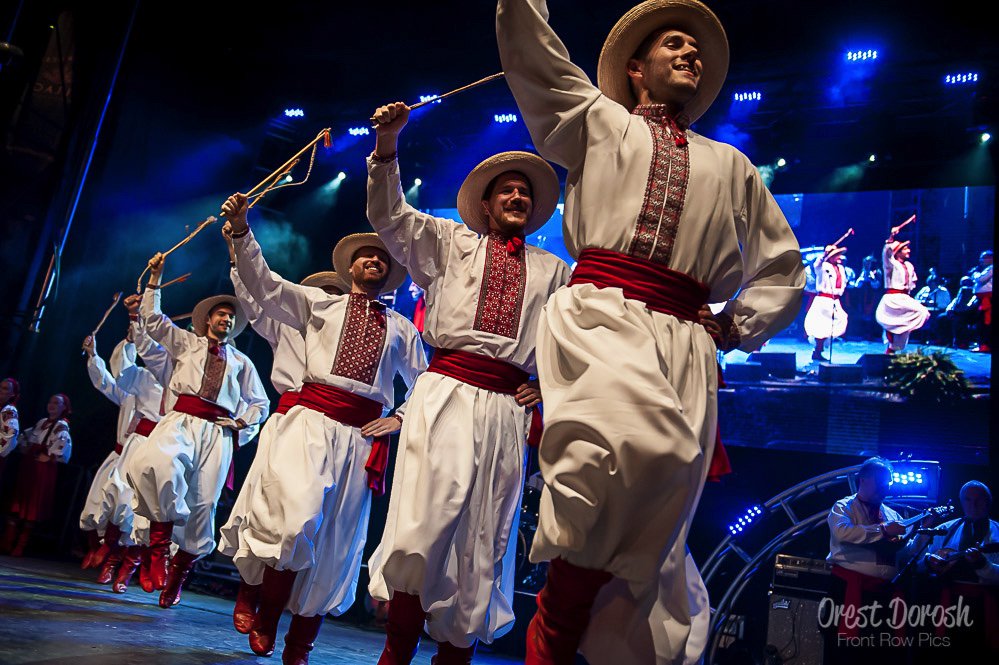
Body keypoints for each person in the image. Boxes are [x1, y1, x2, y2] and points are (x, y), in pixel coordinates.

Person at [496, 1, 805, 662]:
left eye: (696, 48)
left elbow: (781, 263)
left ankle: (576, 630)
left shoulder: (731, 165)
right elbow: (537, 59)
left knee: (653, 515)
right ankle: (553, 621)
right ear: (636, 69)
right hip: (602, 315)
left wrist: (734, 325)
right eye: (674, 44)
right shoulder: (599, 122)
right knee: (611, 458)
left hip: (685, 339)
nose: (691, 54)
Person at [368, 100, 572, 662]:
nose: (517, 197)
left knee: (485, 532)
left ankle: (454, 651)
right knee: (425, 517)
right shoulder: (448, 243)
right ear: (485, 203)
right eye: (506, 189)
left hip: (507, 406)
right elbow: (390, 218)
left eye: (525, 192)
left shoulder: (554, 270)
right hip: (447, 393)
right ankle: (398, 646)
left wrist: (549, 385)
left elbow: (570, 340)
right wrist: (387, 146)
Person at [225, 196, 427, 665]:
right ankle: (268, 615)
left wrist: (400, 417)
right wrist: (240, 233)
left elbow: (424, 382)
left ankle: (300, 645)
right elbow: (266, 286)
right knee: (296, 519)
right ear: (350, 267)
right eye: (365, 254)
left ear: (389, 272)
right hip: (310, 422)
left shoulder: (401, 328)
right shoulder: (318, 303)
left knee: (335, 541)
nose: (374, 259)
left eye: (382, 256)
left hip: (360, 439)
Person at [130, 254, 270, 609]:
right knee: (156, 463)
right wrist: (155, 282)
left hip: (217, 433)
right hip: (181, 420)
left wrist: (240, 424)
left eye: (231, 316)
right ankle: (158, 548)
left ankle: (178, 574)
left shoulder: (242, 362)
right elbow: (154, 321)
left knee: (203, 504)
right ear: (208, 319)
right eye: (221, 313)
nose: (227, 318)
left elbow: (260, 403)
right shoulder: (187, 345)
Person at [824, 457, 931, 664]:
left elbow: (906, 554)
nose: (885, 487)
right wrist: (881, 530)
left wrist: (924, 532)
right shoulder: (844, 506)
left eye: (888, 482)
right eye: (881, 481)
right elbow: (842, 533)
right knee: (845, 653)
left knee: (878, 654)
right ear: (863, 480)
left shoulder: (892, 514)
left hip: (883, 595)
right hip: (849, 591)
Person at [1, 393, 72, 557]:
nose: (52, 405)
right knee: (20, 502)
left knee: (32, 505)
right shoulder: (42, 422)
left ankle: (20, 545)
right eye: (50, 401)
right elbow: (26, 435)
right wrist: (24, 447)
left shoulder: (61, 426)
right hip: (30, 465)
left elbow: (63, 447)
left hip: (42, 469)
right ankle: (7, 542)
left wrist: (50, 457)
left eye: (56, 403)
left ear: (64, 408)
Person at [875, 224, 929, 353]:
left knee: (922, 314)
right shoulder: (891, 264)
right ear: (898, 252)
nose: (909, 251)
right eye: (905, 249)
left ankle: (893, 348)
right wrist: (891, 237)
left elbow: (912, 282)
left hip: (905, 297)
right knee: (896, 323)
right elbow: (886, 253)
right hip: (893, 298)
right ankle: (890, 347)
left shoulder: (909, 265)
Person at [804, 244, 849, 361]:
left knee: (841, 320)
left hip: (835, 300)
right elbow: (816, 264)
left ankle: (819, 349)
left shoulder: (841, 268)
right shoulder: (823, 266)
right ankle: (818, 351)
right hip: (823, 300)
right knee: (822, 327)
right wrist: (824, 255)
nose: (839, 257)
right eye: (837, 255)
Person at [970, 250, 992, 352]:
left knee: (984, 322)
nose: (981, 260)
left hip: (988, 300)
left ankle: (985, 345)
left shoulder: (991, 268)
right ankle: (983, 344)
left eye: (983, 258)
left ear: (990, 258)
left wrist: (975, 274)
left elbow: (981, 279)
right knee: (981, 322)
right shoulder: (986, 269)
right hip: (982, 299)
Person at [0, 378, 20, 488]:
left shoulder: (9, 411)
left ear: (12, 394)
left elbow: (9, 437)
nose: (0, 390)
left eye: (5, 388)